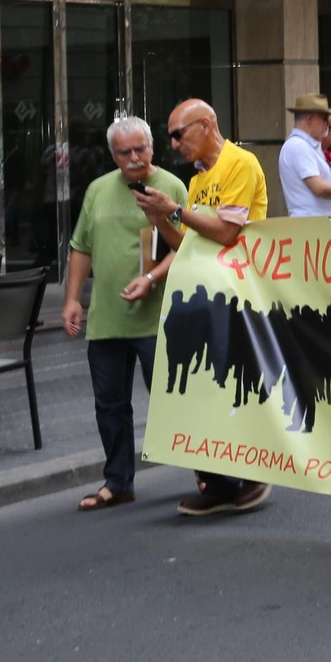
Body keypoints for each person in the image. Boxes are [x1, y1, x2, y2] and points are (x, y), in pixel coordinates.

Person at [129, 99, 272, 518]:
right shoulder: (199, 180)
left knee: (228, 386)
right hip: (207, 297)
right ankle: (218, 482)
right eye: (170, 135)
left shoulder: (239, 164)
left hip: (238, 295)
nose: (173, 144)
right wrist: (160, 219)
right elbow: (190, 244)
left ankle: (250, 474)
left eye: (179, 133)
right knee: (202, 388)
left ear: (207, 125)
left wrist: (173, 210)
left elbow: (228, 233)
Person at [62, 116, 189, 512]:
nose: (134, 158)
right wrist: (72, 299)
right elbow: (81, 246)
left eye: (141, 149)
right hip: (107, 319)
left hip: (158, 319)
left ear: (152, 148)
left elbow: (186, 247)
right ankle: (118, 482)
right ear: (112, 154)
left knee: (174, 402)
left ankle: (211, 476)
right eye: (124, 152)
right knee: (110, 405)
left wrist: (151, 278)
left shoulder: (171, 186)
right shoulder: (99, 190)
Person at [278, 94, 331, 218]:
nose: (327, 123)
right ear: (309, 119)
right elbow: (318, 188)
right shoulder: (299, 146)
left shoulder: (307, 146)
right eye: (324, 118)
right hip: (311, 226)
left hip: (318, 225)